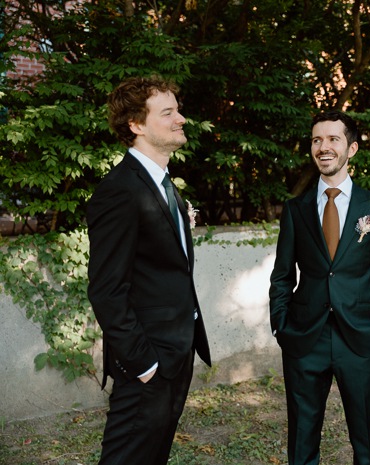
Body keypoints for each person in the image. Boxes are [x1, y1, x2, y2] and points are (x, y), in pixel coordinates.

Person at [87, 75, 211, 465]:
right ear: (136, 125)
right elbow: (106, 290)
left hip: (178, 351)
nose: (182, 119)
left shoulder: (164, 185)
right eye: (169, 112)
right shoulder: (120, 190)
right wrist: (144, 364)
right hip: (149, 359)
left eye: (179, 110)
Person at [269, 110, 370, 465]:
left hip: (360, 338)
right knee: (301, 439)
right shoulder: (295, 209)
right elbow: (282, 275)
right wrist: (280, 325)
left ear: (352, 149)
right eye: (316, 140)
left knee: (367, 442)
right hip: (303, 336)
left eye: (332, 139)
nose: (323, 147)